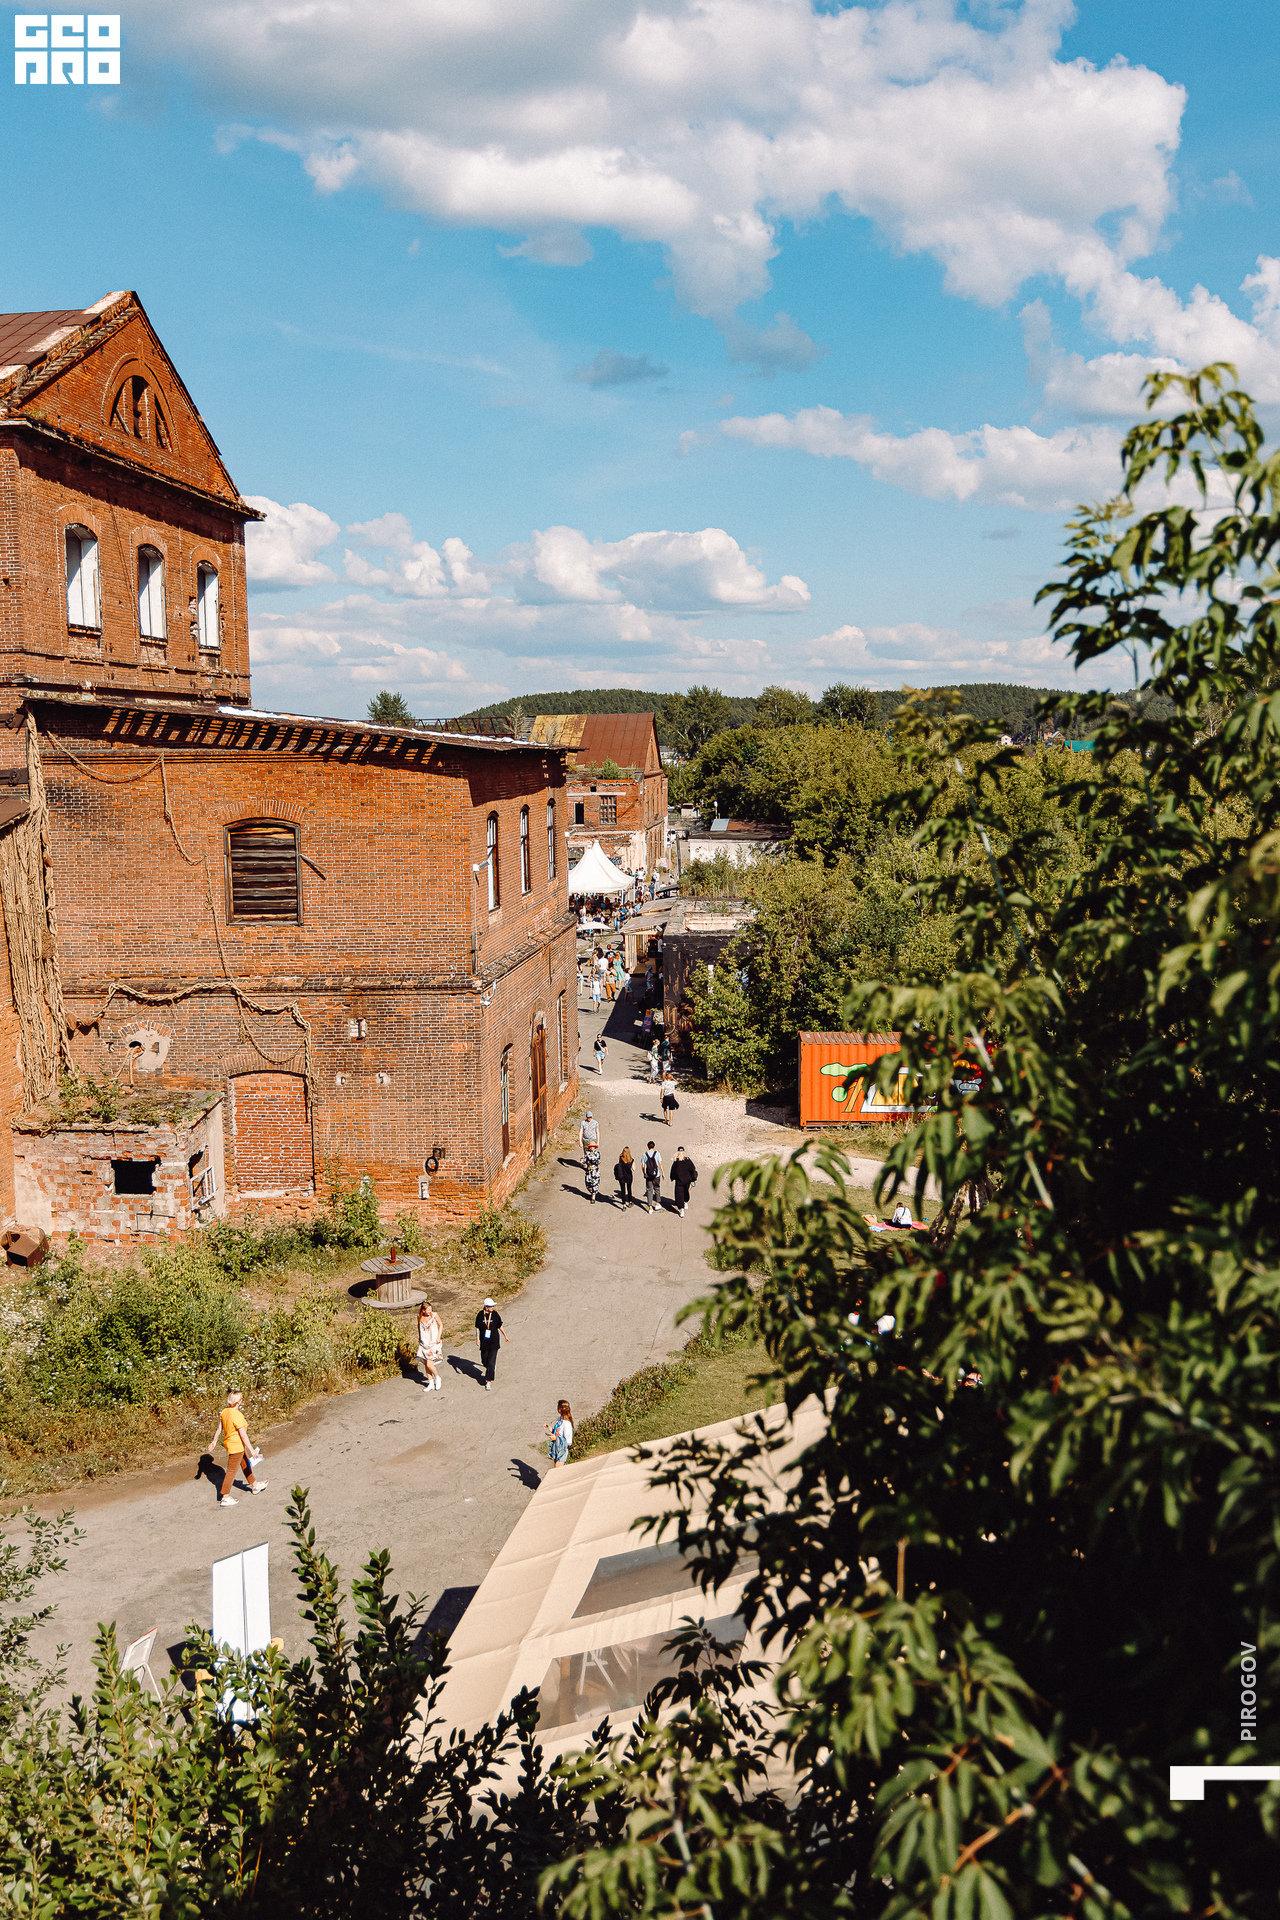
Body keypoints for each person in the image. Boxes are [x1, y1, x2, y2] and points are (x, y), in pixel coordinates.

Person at [209, 1389, 267, 1507]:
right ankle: (225, 1497)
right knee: (231, 1472)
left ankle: (255, 1485)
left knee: (245, 1464)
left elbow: (219, 1429)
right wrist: (251, 1450)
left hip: (231, 1444)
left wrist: (214, 1441)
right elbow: (243, 1435)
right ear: (239, 1402)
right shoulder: (238, 1416)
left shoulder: (225, 1412)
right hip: (237, 1446)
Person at [475, 1298, 508, 1389]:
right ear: (486, 1307)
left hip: (494, 1342)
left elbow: (500, 1325)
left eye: (493, 1306)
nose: (493, 1307)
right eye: (491, 1306)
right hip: (484, 1342)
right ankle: (491, 1368)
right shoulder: (480, 1315)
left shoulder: (495, 1315)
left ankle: (488, 1382)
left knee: (491, 1362)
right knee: (484, 1360)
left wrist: (505, 1335)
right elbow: (477, 1327)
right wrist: (477, 1339)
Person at [416, 1299, 443, 1392]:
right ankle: (430, 1383)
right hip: (424, 1343)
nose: (430, 1311)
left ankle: (437, 1377)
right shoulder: (419, 1317)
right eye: (428, 1310)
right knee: (426, 1365)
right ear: (423, 1310)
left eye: (430, 1309)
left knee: (430, 1364)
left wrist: (438, 1337)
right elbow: (418, 1327)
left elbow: (441, 1325)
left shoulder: (434, 1316)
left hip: (433, 1343)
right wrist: (419, 1337)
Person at [544, 1399, 574, 1467]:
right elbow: (556, 1432)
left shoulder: (566, 1423)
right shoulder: (559, 1419)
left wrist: (555, 1438)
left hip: (562, 1450)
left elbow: (568, 1443)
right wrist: (549, 1427)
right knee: (556, 1468)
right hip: (556, 1447)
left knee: (558, 1470)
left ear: (560, 1409)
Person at [671, 1147, 698, 1217]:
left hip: (679, 1181)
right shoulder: (688, 1160)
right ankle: (686, 1202)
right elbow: (693, 1168)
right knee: (686, 1191)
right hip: (687, 1180)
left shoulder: (676, 1162)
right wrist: (693, 1177)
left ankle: (681, 1209)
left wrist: (672, 1178)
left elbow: (673, 1171)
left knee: (679, 1195)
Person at [641, 1139, 663, 1213]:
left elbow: (643, 1165)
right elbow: (660, 1164)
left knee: (649, 1190)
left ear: (648, 1147)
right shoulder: (657, 1154)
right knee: (657, 1188)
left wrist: (644, 1173)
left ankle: (650, 1207)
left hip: (648, 1175)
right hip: (656, 1174)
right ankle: (657, 1203)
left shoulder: (645, 1154)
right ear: (654, 1146)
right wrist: (662, 1173)